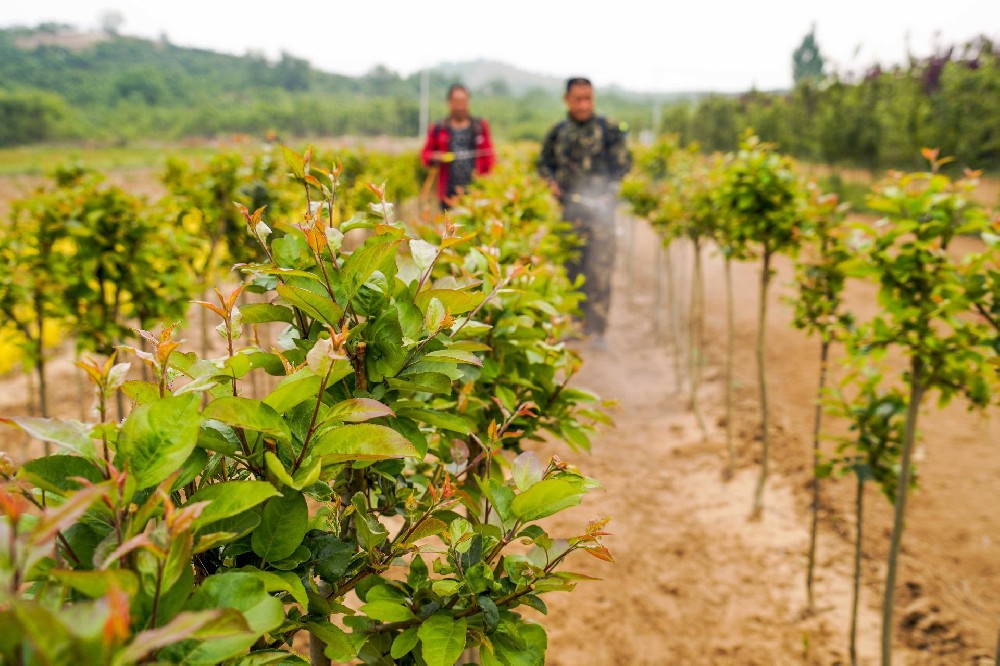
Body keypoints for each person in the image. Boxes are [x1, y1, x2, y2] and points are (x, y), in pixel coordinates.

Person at [538, 77, 632, 349]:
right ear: (567, 100)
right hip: (570, 213)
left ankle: (598, 330)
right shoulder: (558, 132)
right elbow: (544, 165)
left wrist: (610, 191)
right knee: (573, 271)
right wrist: (552, 184)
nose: (584, 104)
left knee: (600, 271)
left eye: (588, 98)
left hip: (602, 214)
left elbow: (623, 165)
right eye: (578, 99)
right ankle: (577, 325)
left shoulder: (608, 130)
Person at [420, 84, 496, 209]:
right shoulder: (439, 128)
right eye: (456, 102)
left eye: (464, 101)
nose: (460, 106)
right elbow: (425, 154)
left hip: (475, 193)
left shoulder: (480, 127)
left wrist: (486, 181)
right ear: (449, 103)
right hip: (447, 194)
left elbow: (490, 157)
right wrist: (436, 157)